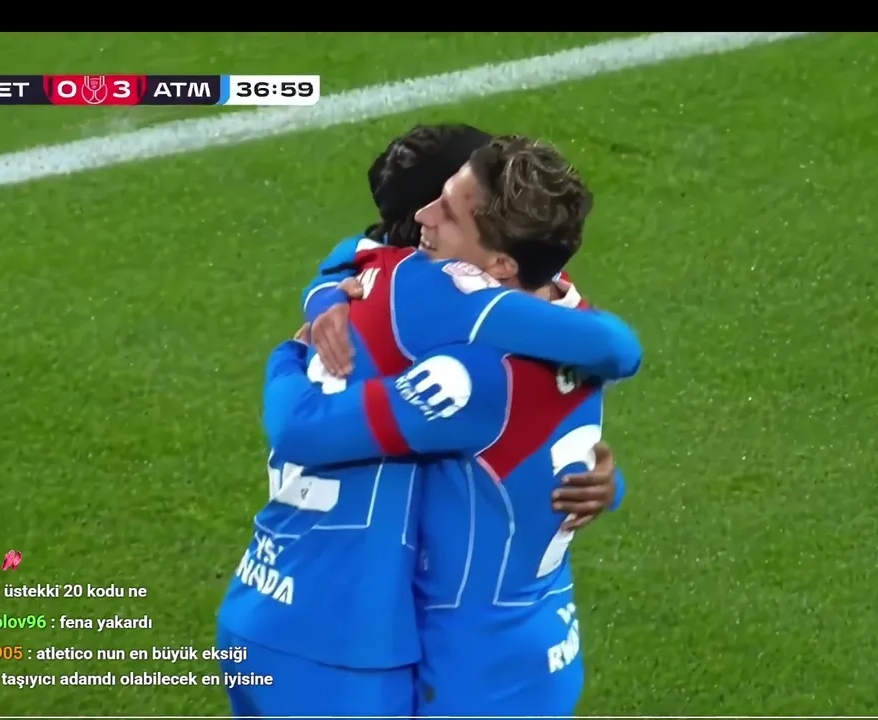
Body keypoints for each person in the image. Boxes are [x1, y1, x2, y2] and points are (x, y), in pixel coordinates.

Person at [215, 127, 638, 717]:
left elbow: (303, 427)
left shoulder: (445, 337)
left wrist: (290, 350)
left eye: (448, 210)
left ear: (498, 263)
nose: (426, 219)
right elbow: (605, 365)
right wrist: (609, 486)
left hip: (423, 661)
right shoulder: (569, 312)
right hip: (538, 647)